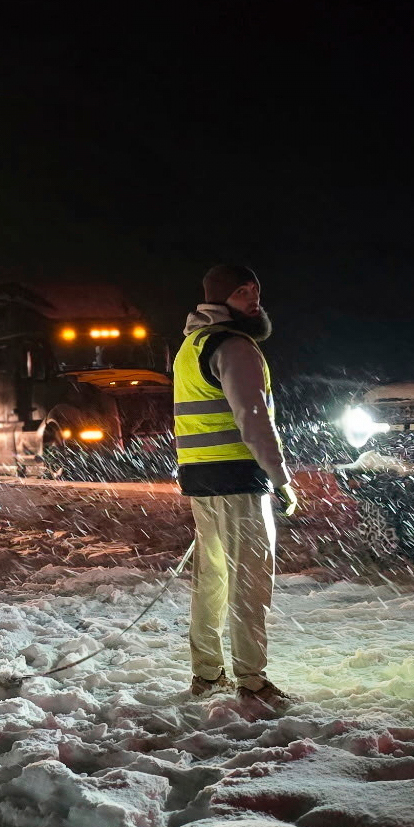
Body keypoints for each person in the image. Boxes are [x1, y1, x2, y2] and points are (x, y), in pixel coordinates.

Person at [173, 263, 297, 708]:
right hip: (239, 479)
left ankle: (206, 673)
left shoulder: (192, 345)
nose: (254, 298)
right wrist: (280, 476)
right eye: (243, 292)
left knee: (212, 578)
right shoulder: (236, 347)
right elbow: (253, 419)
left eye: (256, 290)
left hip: (203, 479)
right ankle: (252, 680)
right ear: (221, 298)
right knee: (249, 578)